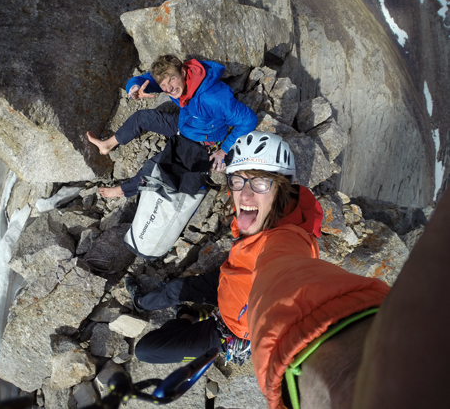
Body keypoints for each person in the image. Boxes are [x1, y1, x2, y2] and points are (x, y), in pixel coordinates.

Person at [125, 131, 393, 409]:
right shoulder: (262, 214)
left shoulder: (287, 240)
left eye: (261, 182)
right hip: (230, 281)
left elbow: (290, 279)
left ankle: (189, 317)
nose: (246, 193)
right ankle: (147, 304)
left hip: (231, 329)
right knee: (170, 291)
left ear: (281, 188)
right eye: (238, 180)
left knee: (147, 350)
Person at [87, 54, 258, 198]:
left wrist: (224, 150)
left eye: (172, 80)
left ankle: (122, 191)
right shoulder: (177, 81)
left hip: (201, 141)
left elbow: (249, 120)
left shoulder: (212, 97)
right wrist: (134, 87)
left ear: (183, 72)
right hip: (185, 124)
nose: (168, 88)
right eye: (163, 85)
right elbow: (144, 79)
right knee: (142, 117)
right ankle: (107, 145)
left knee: (155, 166)